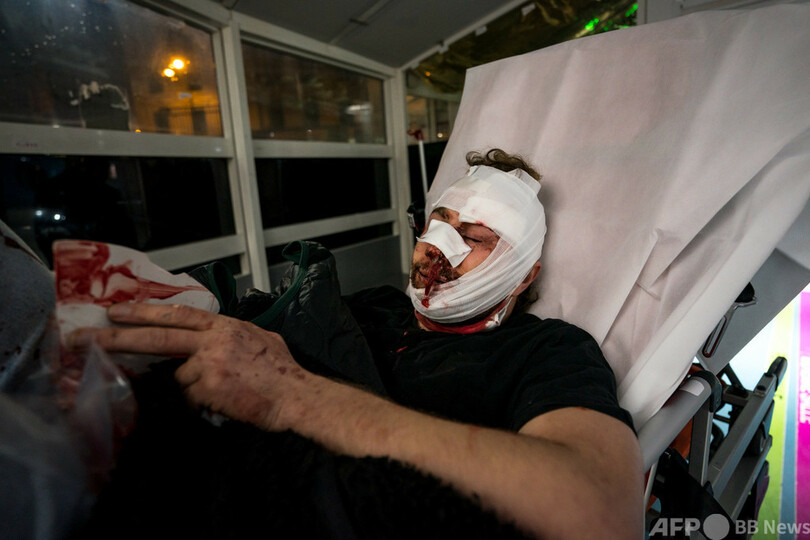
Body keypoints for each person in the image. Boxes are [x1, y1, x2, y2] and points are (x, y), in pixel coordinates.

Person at [67, 149, 643, 539]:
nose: (436, 247)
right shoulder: (371, 305)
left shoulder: (547, 352)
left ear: (523, 275)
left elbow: (601, 510)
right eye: (437, 224)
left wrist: (293, 395)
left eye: (472, 236)